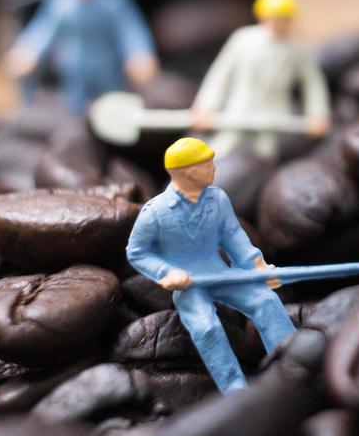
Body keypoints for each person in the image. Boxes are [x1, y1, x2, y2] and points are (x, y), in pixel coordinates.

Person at [125, 137, 294, 392]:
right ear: (188, 172)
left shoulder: (218, 199)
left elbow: (234, 238)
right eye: (207, 165)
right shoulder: (155, 212)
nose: (215, 169)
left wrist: (257, 267)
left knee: (266, 301)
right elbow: (137, 253)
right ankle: (236, 391)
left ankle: (293, 365)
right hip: (190, 286)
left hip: (222, 274)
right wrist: (166, 273)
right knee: (206, 328)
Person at [4, 0, 158, 112]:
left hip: (105, 64)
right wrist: (28, 51)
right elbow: (44, 29)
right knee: (74, 104)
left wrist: (139, 54)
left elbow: (129, 28)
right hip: (74, 65)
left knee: (112, 102)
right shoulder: (61, 1)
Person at [190, 0, 331, 160]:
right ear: (262, 16)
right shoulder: (243, 40)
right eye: (275, 18)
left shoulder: (297, 50)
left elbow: (313, 83)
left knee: (264, 157)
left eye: (284, 19)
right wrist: (205, 106)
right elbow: (221, 74)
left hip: (272, 117)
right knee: (220, 150)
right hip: (239, 111)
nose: (279, 23)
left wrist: (318, 114)